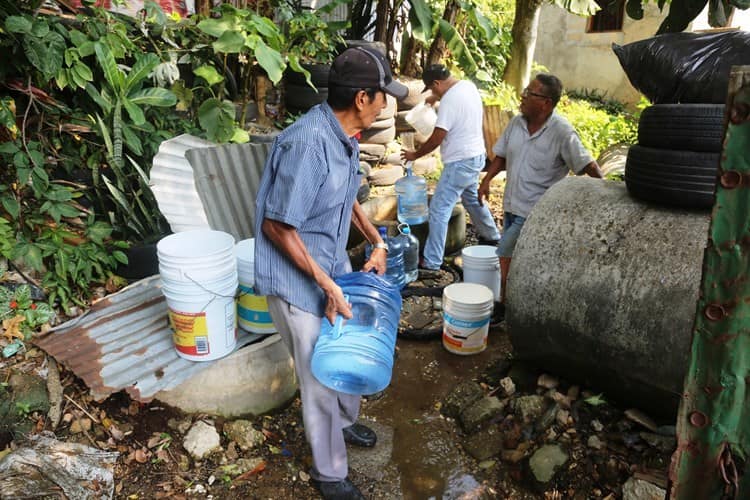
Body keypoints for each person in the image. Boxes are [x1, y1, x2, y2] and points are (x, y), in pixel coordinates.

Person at [253, 47, 408, 500]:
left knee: (349, 346)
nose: (387, 103)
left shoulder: (343, 137)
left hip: (329, 264)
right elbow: (277, 225)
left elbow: (344, 199)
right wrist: (325, 285)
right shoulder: (307, 143)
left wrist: (376, 241)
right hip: (297, 280)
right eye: (383, 95)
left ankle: (344, 424)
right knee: (320, 373)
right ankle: (329, 472)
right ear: (363, 99)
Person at [478, 73, 603, 306]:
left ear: (546, 102)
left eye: (530, 93)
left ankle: (504, 304)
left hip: (536, 210)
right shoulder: (517, 123)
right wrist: (486, 181)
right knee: (519, 256)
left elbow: (587, 164)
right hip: (512, 204)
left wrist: (607, 193)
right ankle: (521, 298)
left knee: (504, 254)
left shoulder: (562, 132)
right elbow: (502, 155)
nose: (522, 97)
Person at [401, 64, 501, 270]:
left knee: (439, 209)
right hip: (475, 156)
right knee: (471, 199)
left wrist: (415, 154)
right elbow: (454, 103)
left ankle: (431, 261)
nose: (432, 93)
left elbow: (438, 136)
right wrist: (434, 98)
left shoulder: (449, 100)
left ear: (437, 83)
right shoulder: (468, 86)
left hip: (459, 162)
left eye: (431, 88)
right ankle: (492, 236)